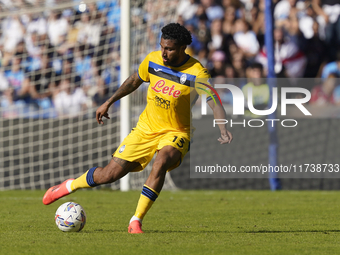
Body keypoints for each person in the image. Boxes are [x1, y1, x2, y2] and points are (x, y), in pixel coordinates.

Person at [42, 23, 233, 234]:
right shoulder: (153, 60)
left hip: (176, 132)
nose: (164, 52)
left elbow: (214, 101)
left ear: (182, 48)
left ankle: (136, 221)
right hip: (145, 130)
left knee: (161, 162)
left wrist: (223, 129)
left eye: (169, 48)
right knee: (109, 175)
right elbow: (135, 80)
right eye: (162, 47)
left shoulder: (197, 72)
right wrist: (109, 101)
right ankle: (68, 186)